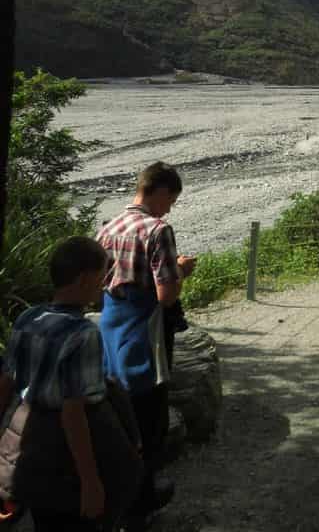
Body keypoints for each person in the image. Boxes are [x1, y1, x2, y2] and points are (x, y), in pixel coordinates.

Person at [0, 237, 142, 531]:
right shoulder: (82, 333)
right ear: (84, 278)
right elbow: (73, 412)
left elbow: (6, 382)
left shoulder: (28, 317)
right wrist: (91, 483)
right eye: (103, 274)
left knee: (45, 519)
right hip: (67, 455)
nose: (105, 282)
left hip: (28, 443)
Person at [96, 162, 196, 531]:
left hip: (111, 330)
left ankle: (114, 497)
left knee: (117, 416)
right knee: (150, 420)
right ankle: (140, 505)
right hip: (145, 334)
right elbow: (166, 295)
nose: (170, 207)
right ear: (160, 191)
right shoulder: (158, 230)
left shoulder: (107, 227)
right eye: (171, 198)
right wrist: (182, 269)